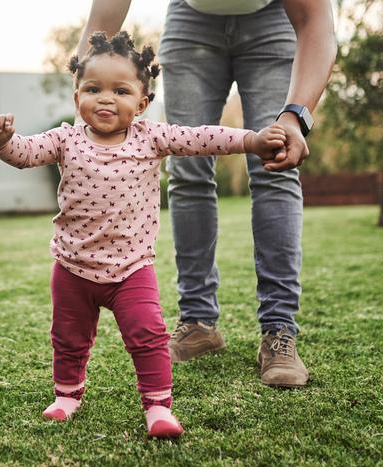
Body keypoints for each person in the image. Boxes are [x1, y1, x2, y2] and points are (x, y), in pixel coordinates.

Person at [0, 32, 287, 438]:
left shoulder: (151, 137)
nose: (105, 98)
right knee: (68, 338)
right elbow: (24, 153)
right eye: (93, 89)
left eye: (120, 90)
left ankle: (159, 407)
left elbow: (203, 137)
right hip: (73, 268)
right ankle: (67, 395)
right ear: (77, 99)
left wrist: (251, 140)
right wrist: (1, 143)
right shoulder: (65, 139)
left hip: (131, 270)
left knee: (148, 336)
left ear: (142, 104)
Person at [77, 0, 336, 388]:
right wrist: (83, 93)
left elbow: (316, 21)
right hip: (191, 21)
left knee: (276, 163)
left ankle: (279, 330)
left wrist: (296, 116)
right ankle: (198, 323)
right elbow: (102, 20)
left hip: (273, 20)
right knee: (187, 169)